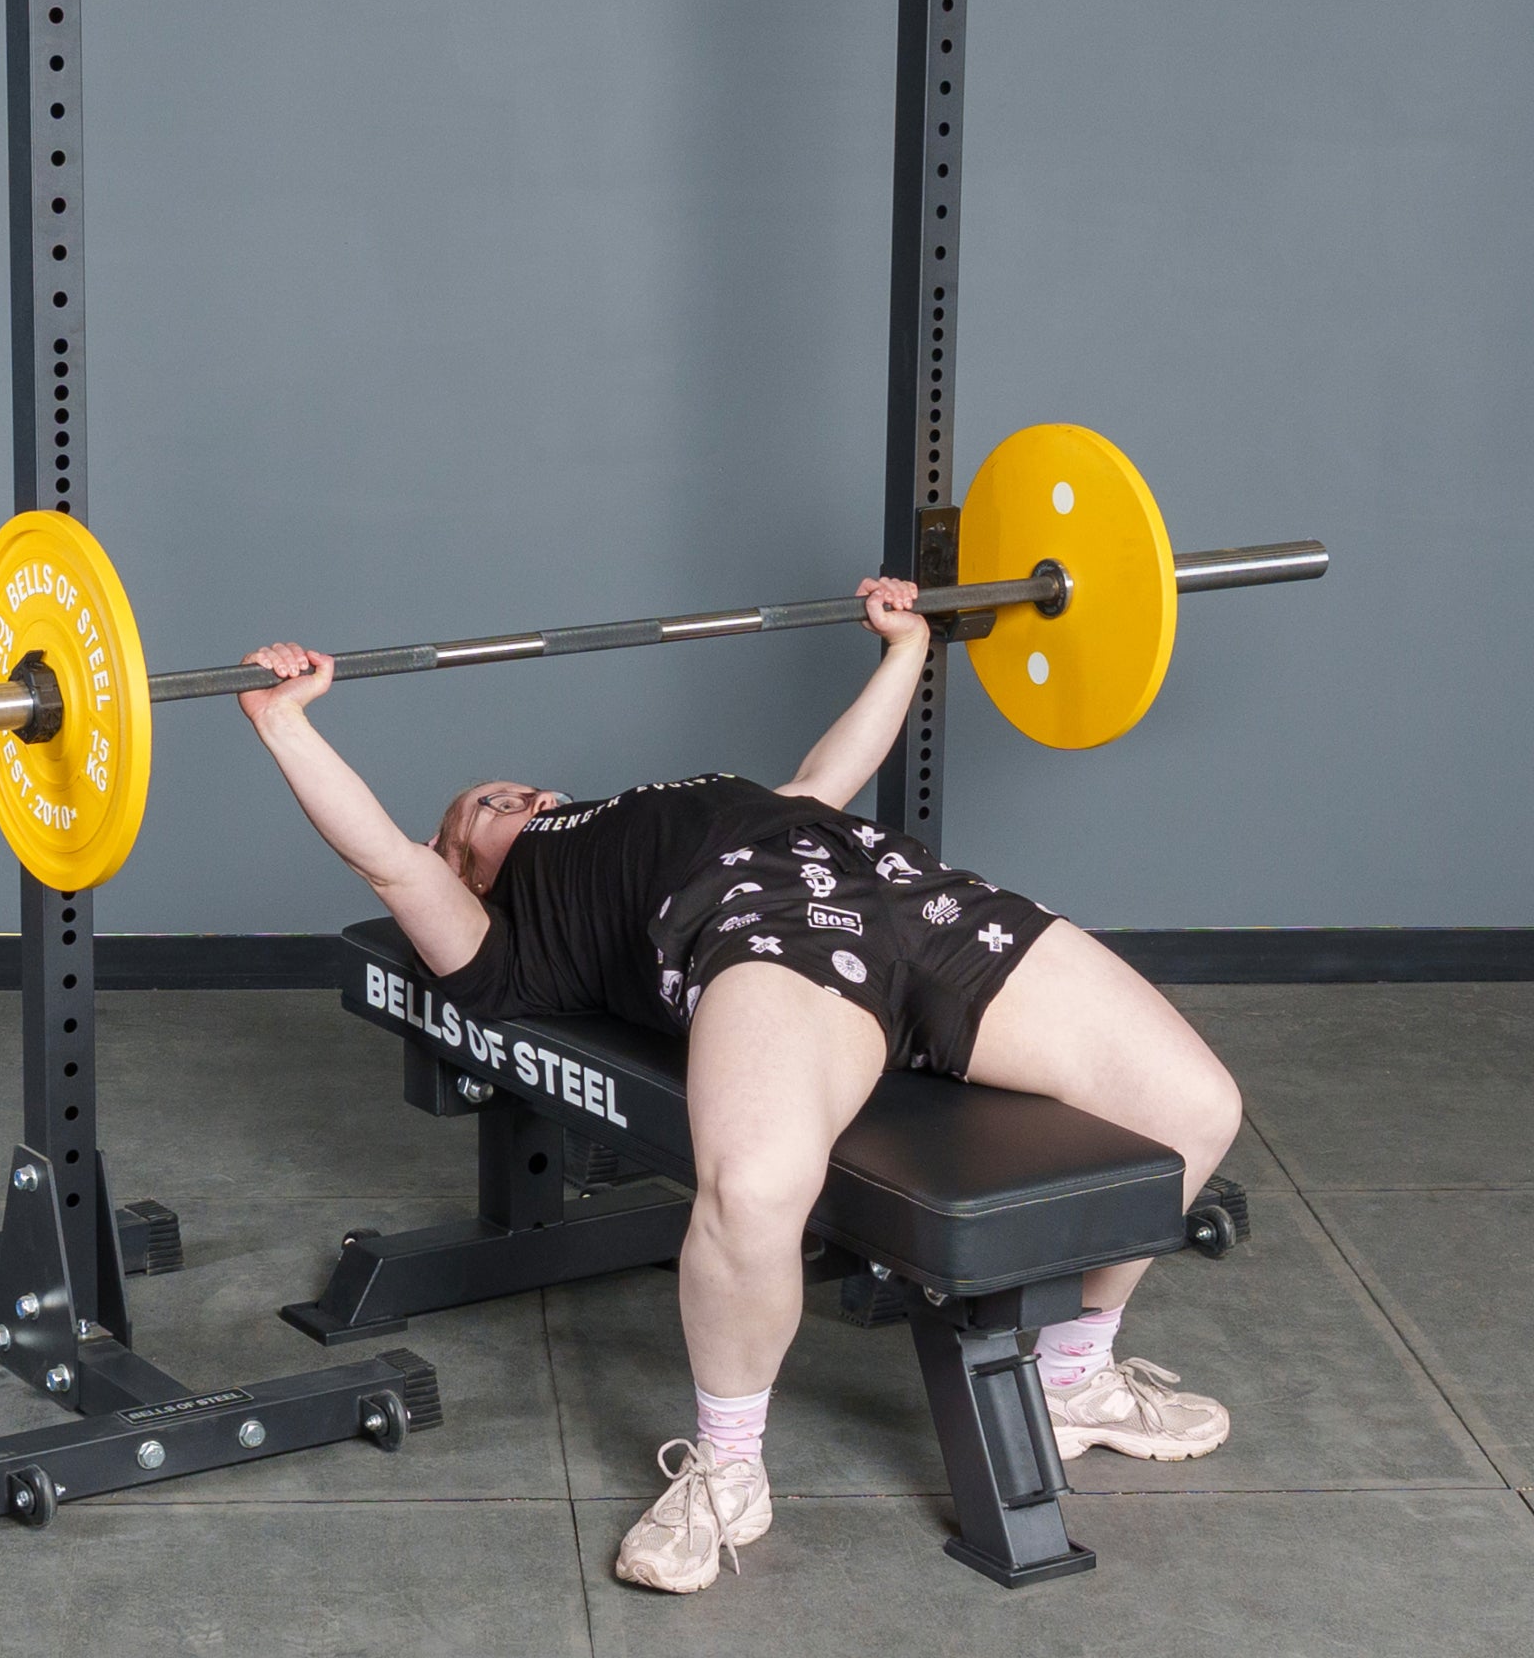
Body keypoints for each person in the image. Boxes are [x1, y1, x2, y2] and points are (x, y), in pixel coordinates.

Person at [237, 578, 1241, 1594]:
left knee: (1192, 1106)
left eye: (527, 789)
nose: (524, 798)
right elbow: (386, 861)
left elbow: (822, 778)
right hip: (767, 943)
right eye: (487, 808)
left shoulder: (669, 806)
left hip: (909, 895)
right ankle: (726, 1470)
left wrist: (904, 647)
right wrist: (284, 723)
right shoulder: (510, 936)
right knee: (756, 1189)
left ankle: (1072, 1376)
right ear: (465, 870)